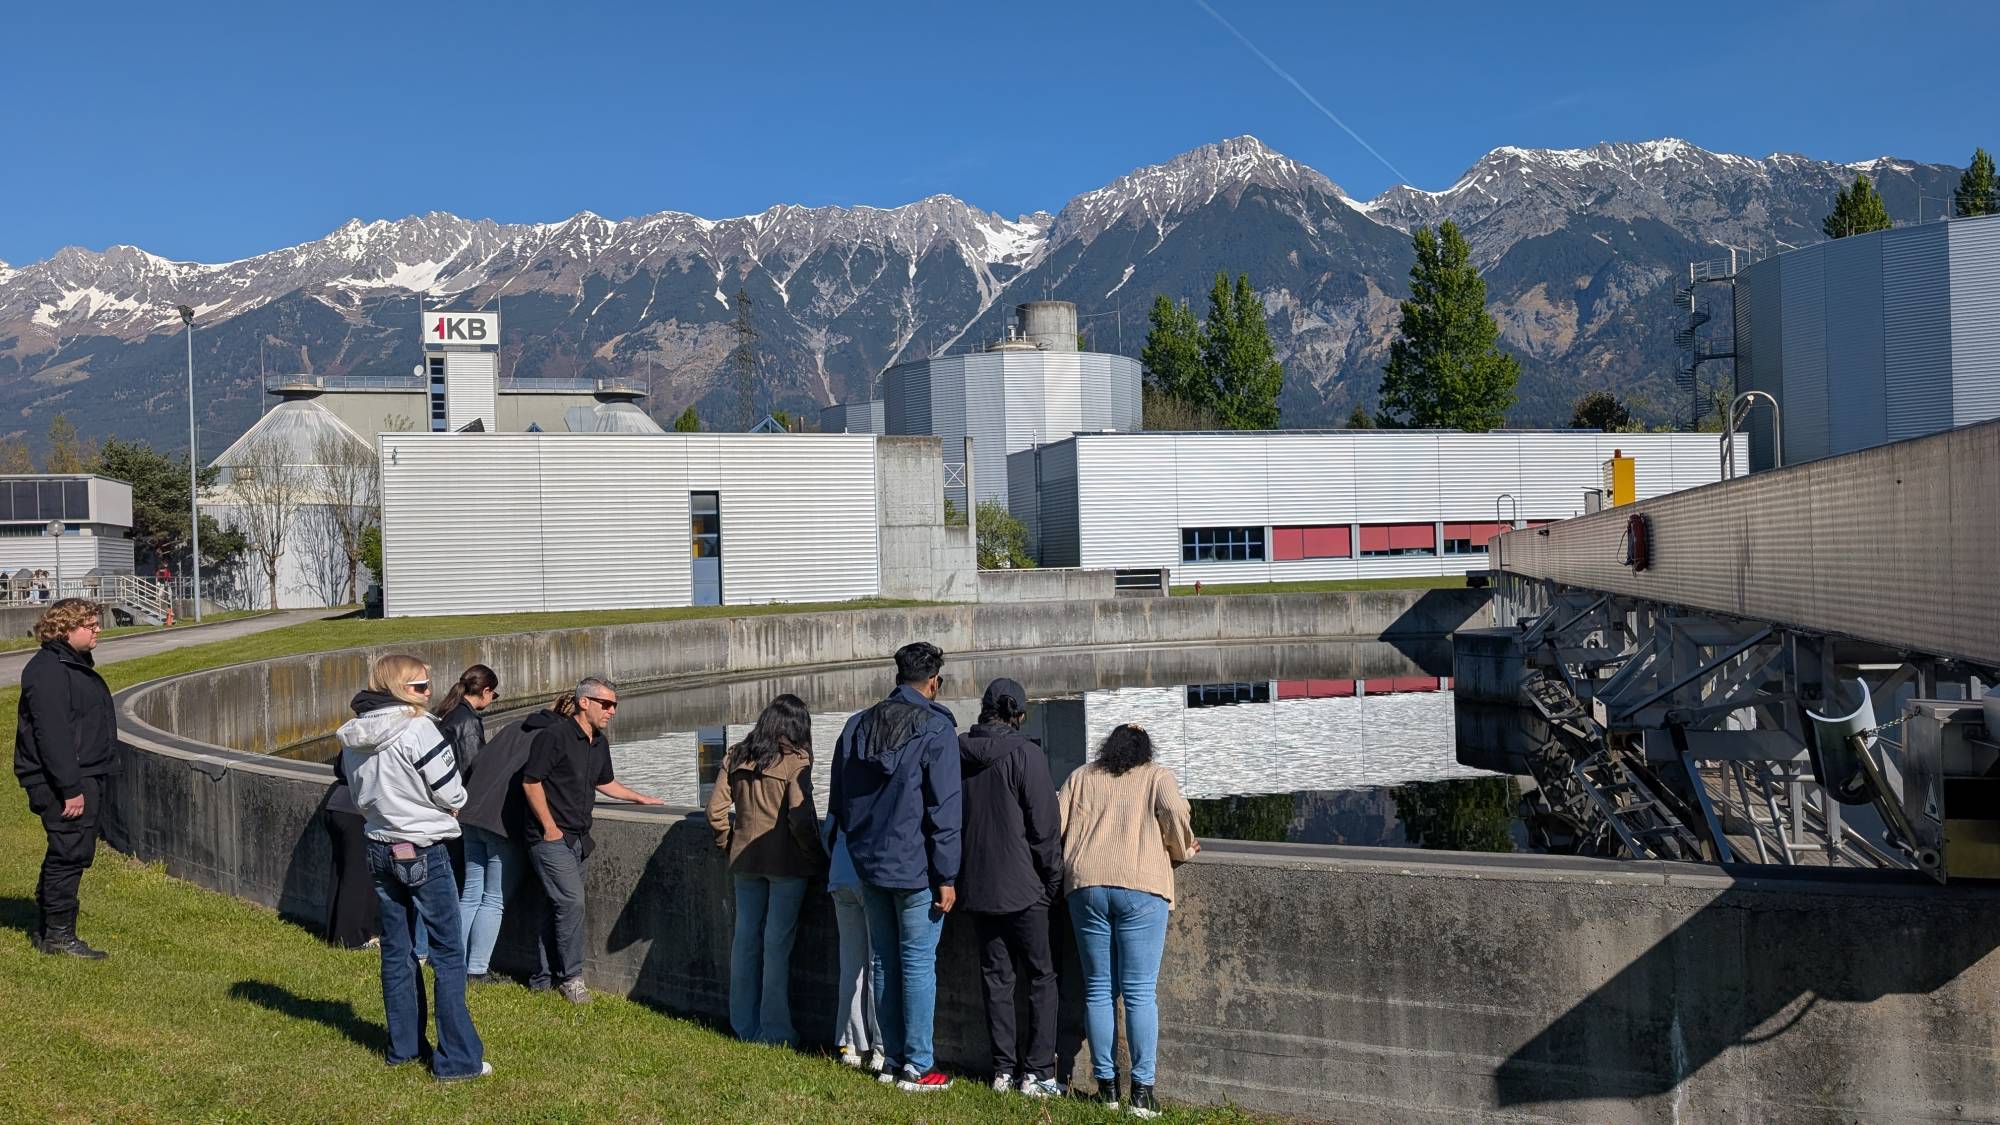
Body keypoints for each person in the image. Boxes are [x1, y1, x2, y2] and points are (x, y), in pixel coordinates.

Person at [335, 654, 489, 1081]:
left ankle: (403, 1049)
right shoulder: (419, 727)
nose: (429, 694)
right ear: (402, 689)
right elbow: (452, 792)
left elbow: (357, 789)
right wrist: (448, 807)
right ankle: (458, 1060)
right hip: (423, 847)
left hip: (380, 846)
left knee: (398, 951)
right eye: (421, 687)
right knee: (447, 953)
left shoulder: (353, 734)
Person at [829, 641, 961, 1093]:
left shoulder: (856, 725)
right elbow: (944, 809)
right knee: (918, 963)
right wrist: (947, 875)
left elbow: (839, 802)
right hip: (916, 868)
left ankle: (892, 1061)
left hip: (868, 864)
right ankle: (919, 1067)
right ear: (933, 682)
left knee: (884, 961)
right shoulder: (936, 728)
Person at [1059, 723, 1198, 1118]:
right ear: (1145, 750)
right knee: (1138, 992)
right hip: (1141, 886)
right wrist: (1182, 847)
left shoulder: (1081, 776)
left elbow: (1055, 823)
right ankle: (1142, 1091)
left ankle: (1107, 1088)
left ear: (1109, 747)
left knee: (1098, 989)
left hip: (1086, 886)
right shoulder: (1157, 776)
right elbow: (1173, 811)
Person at [521, 676, 664, 1003]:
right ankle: (572, 978)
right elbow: (531, 783)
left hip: (579, 838)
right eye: (606, 704)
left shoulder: (598, 742)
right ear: (584, 702)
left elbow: (605, 782)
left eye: (615, 705)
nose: (612, 711)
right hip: (549, 837)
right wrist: (549, 827)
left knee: (554, 905)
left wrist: (639, 798)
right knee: (571, 903)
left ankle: (542, 978)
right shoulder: (554, 736)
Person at [958, 677, 1063, 1097]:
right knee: (1041, 977)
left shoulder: (958, 751)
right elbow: (1045, 830)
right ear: (1016, 713)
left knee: (996, 977)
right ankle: (1037, 1072)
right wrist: (1051, 880)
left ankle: (1002, 1070)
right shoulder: (1027, 754)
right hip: (1025, 889)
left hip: (978, 886)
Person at [705, 694, 829, 1045]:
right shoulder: (796, 761)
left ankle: (743, 1024)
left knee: (744, 943)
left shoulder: (737, 754)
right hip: (788, 864)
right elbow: (801, 819)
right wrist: (815, 856)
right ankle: (774, 1031)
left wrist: (727, 843)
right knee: (776, 947)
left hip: (745, 861)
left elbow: (715, 811)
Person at [13, 597, 115, 958]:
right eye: (90, 624)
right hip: (64, 781)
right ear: (66, 628)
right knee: (69, 852)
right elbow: (52, 735)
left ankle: (49, 926)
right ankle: (58, 936)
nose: (98, 629)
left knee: (69, 849)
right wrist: (70, 789)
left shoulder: (69, 663)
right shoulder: (49, 671)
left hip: (81, 773)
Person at [412, 665, 499, 964]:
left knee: (428, 883)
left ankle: (421, 947)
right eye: (494, 694)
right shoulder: (468, 722)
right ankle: (427, 949)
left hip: (431, 805)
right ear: (486, 692)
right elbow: (475, 768)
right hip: (453, 809)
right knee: (446, 883)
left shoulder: (447, 712)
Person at [824, 811, 883, 1072]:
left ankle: (852, 1044)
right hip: (871, 870)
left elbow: (829, 828)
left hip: (841, 868)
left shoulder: (844, 773)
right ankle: (882, 1048)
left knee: (851, 965)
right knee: (877, 963)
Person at [321, 754, 380, 950]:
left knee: (339, 873)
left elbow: (339, 767)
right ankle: (351, 940)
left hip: (336, 802)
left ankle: (334, 933)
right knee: (358, 878)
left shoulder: (354, 734)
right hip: (357, 810)